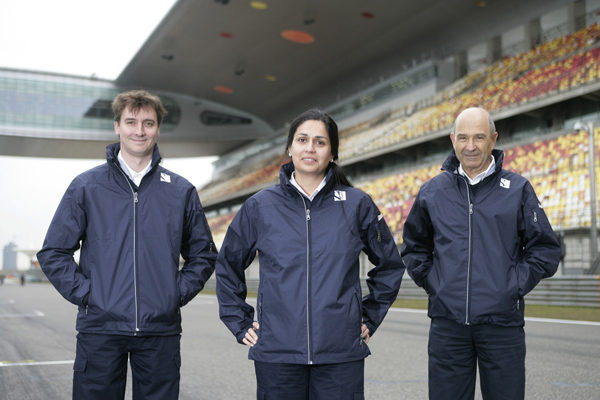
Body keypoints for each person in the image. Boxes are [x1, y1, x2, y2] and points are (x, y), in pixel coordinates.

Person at [37, 90, 217, 400]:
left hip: (159, 330)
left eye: (148, 123)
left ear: (158, 128)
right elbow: (54, 252)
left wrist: (173, 294)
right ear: (117, 126)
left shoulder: (181, 191)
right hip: (100, 328)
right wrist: (89, 295)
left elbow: (203, 254)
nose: (139, 130)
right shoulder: (87, 186)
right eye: (131, 122)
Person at [216, 108, 405, 399]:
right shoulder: (259, 206)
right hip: (278, 355)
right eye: (303, 139)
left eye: (320, 142)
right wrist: (239, 321)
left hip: (340, 355)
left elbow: (390, 265)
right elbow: (228, 265)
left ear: (332, 153)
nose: (310, 148)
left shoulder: (357, 205)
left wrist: (368, 317)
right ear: (289, 148)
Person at [401, 107, 560, 400]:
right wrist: (437, 285)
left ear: (493, 139)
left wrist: (510, 287)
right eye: (463, 138)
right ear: (452, 139)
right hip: (448, 326)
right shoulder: (432, 191)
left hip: (501, 326)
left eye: (479, 137)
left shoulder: (518, 189)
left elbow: (545, 249)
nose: (470, 146)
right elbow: (414, 247)